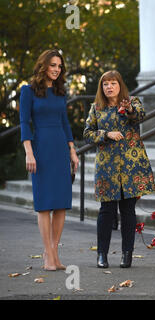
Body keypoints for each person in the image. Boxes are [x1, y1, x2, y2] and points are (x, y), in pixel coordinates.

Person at [84, 70, 155, 268]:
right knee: (106, 211)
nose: (109, 87)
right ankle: (102, 255)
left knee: (128, 211)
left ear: (119, 85)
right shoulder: (96, 108)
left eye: (112, 83)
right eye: (105, 84)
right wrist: (106, 134)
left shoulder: (132, 101)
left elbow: (139, 116)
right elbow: (87, 133)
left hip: (131, 166)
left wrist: (130, 109)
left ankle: (127, 254)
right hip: (107, 167)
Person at [19, 49, 79, 271]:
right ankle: (48, 255)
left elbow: (65, 123)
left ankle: (53, 251)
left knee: (61, 204)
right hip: (41, 148)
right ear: (43, 65)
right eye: (53, 65)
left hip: (60, 147)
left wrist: (72, 151)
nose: (56, 69)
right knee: (44, 204)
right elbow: (25, 122)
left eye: (59, 66)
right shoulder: (28, 91)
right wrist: (29, 151)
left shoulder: (61, 92)